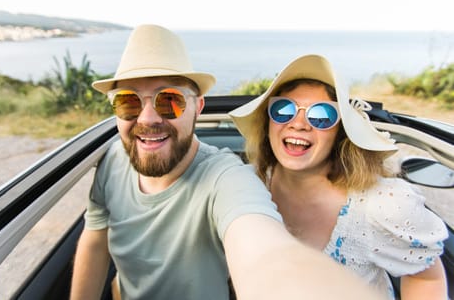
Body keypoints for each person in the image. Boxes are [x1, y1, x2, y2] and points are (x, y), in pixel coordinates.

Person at [70, 25, 382, 300]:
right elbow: (96, 239)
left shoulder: (226, 179)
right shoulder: (113, 160)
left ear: (198, 107)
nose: (148, 118)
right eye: (128, 101)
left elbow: (268, 254)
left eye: (170, 101)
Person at [229, 54, 449, 300]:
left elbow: (425, 277)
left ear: (341, 133)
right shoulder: (244, 185)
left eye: (321, 115)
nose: (298, 124)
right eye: (283, 110)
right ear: (268, 123)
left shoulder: (381, 205)